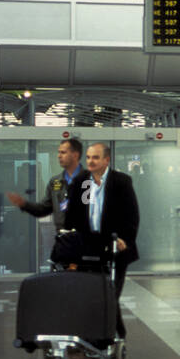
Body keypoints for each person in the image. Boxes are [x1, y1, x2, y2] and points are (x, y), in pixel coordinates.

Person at [63, 143, 140, 338]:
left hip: (115, 247)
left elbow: (131, 216)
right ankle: (104, 335)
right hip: (88, 247)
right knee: (91, 295)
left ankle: (111, 336)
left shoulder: (121, 182)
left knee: (110, 295)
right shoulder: (82, 182)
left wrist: (125, 239)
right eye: (88, 157)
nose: (90, 161)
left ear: (107, 160)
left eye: (95, 157)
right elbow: (73, 215)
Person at [6, 137, 84, 232]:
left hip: (85, 240)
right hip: (64, 240)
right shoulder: (55, 182)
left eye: (63, 152)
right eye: (58, 152)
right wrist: (24, 204)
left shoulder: (91, 180)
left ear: (75, 155)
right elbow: (43, 209)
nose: (59, 156)